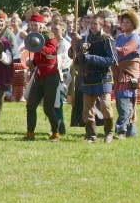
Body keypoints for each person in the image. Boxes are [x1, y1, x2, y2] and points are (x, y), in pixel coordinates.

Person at [70, 13, 116, 143]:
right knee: (87, 110)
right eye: (91, 23)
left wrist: (90, 57)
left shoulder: (107, 40)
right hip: (88, 76)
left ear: (101, 25)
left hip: (103, 76)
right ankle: (91, 135)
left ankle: (109, 132)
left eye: (95, 24)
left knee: (105, 105)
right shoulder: (83, 39)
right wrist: (74, 46)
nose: (92, 26)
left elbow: (111, 60)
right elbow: (73, 56)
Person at [24, 13, 61, 141]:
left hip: (51, 76)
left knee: (48, 108)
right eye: (31, 25)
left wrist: (39, 46)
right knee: (30, 105)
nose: (33, 27)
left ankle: (55, 133)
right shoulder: (33, 36)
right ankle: (30, 134)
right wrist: (32, 63)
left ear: (42, 24)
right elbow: (38, 58)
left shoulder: (49, 36)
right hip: (39, 76)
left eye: (36, 25)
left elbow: (51, 52)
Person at [112, 11, 140, 138]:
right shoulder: (120, 37)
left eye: (128, 22)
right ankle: (131, 132)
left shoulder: (135, 38)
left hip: (129, 74)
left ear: (133, 24)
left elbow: (124, 51)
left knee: (126, 101)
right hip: (119, 73)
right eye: (123, 21)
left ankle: (121, 131)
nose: (125, 24)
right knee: (121, 102)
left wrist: (110, 46)